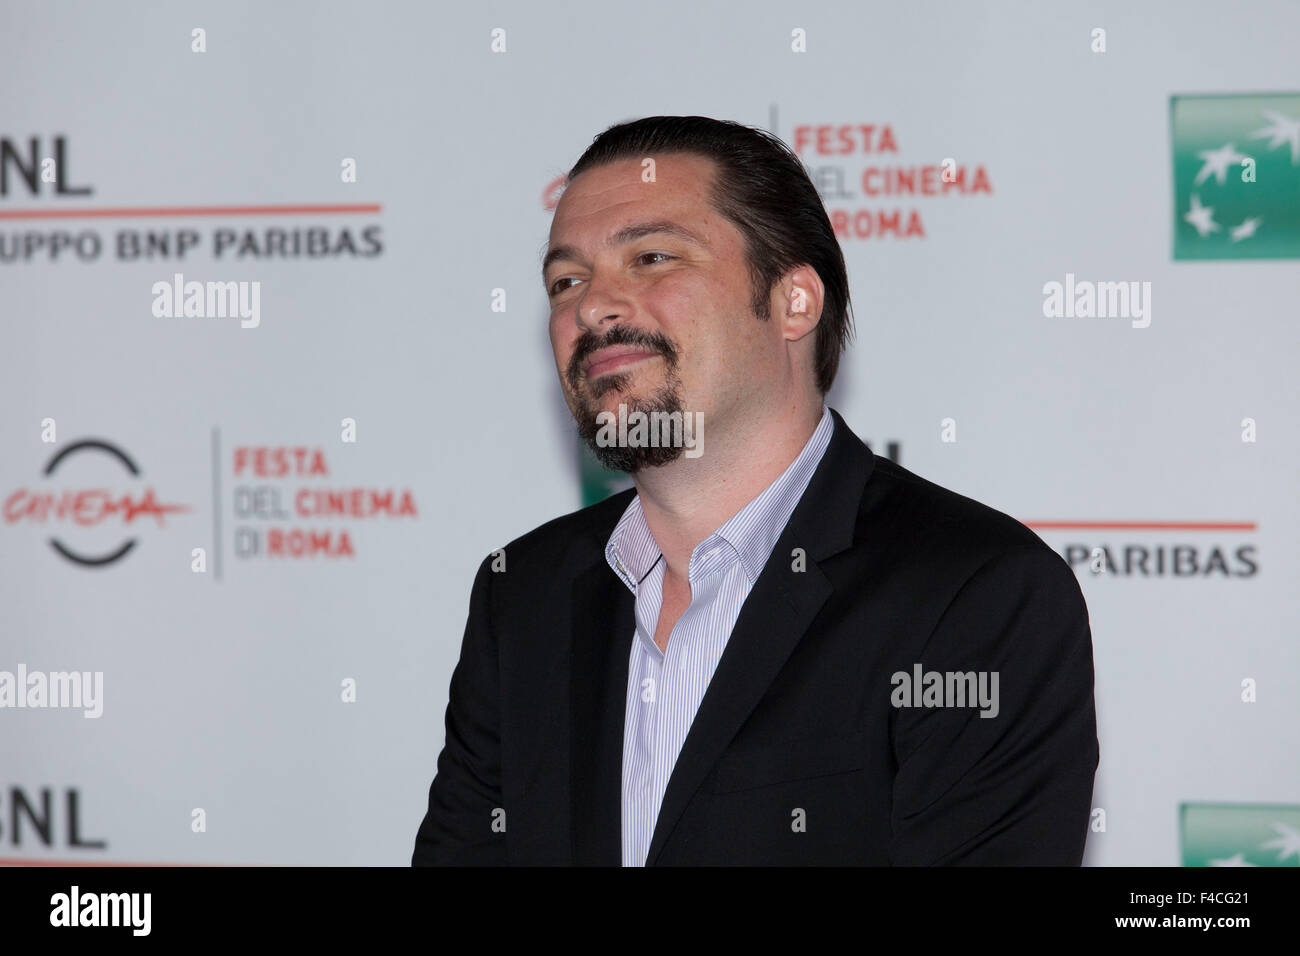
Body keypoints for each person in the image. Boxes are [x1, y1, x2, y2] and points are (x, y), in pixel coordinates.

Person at [413, 115, 1098, 866]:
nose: (592, 307)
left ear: (794, 302)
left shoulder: (978, 595)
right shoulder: (523, 595)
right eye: (565, 280)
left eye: (651, 257)